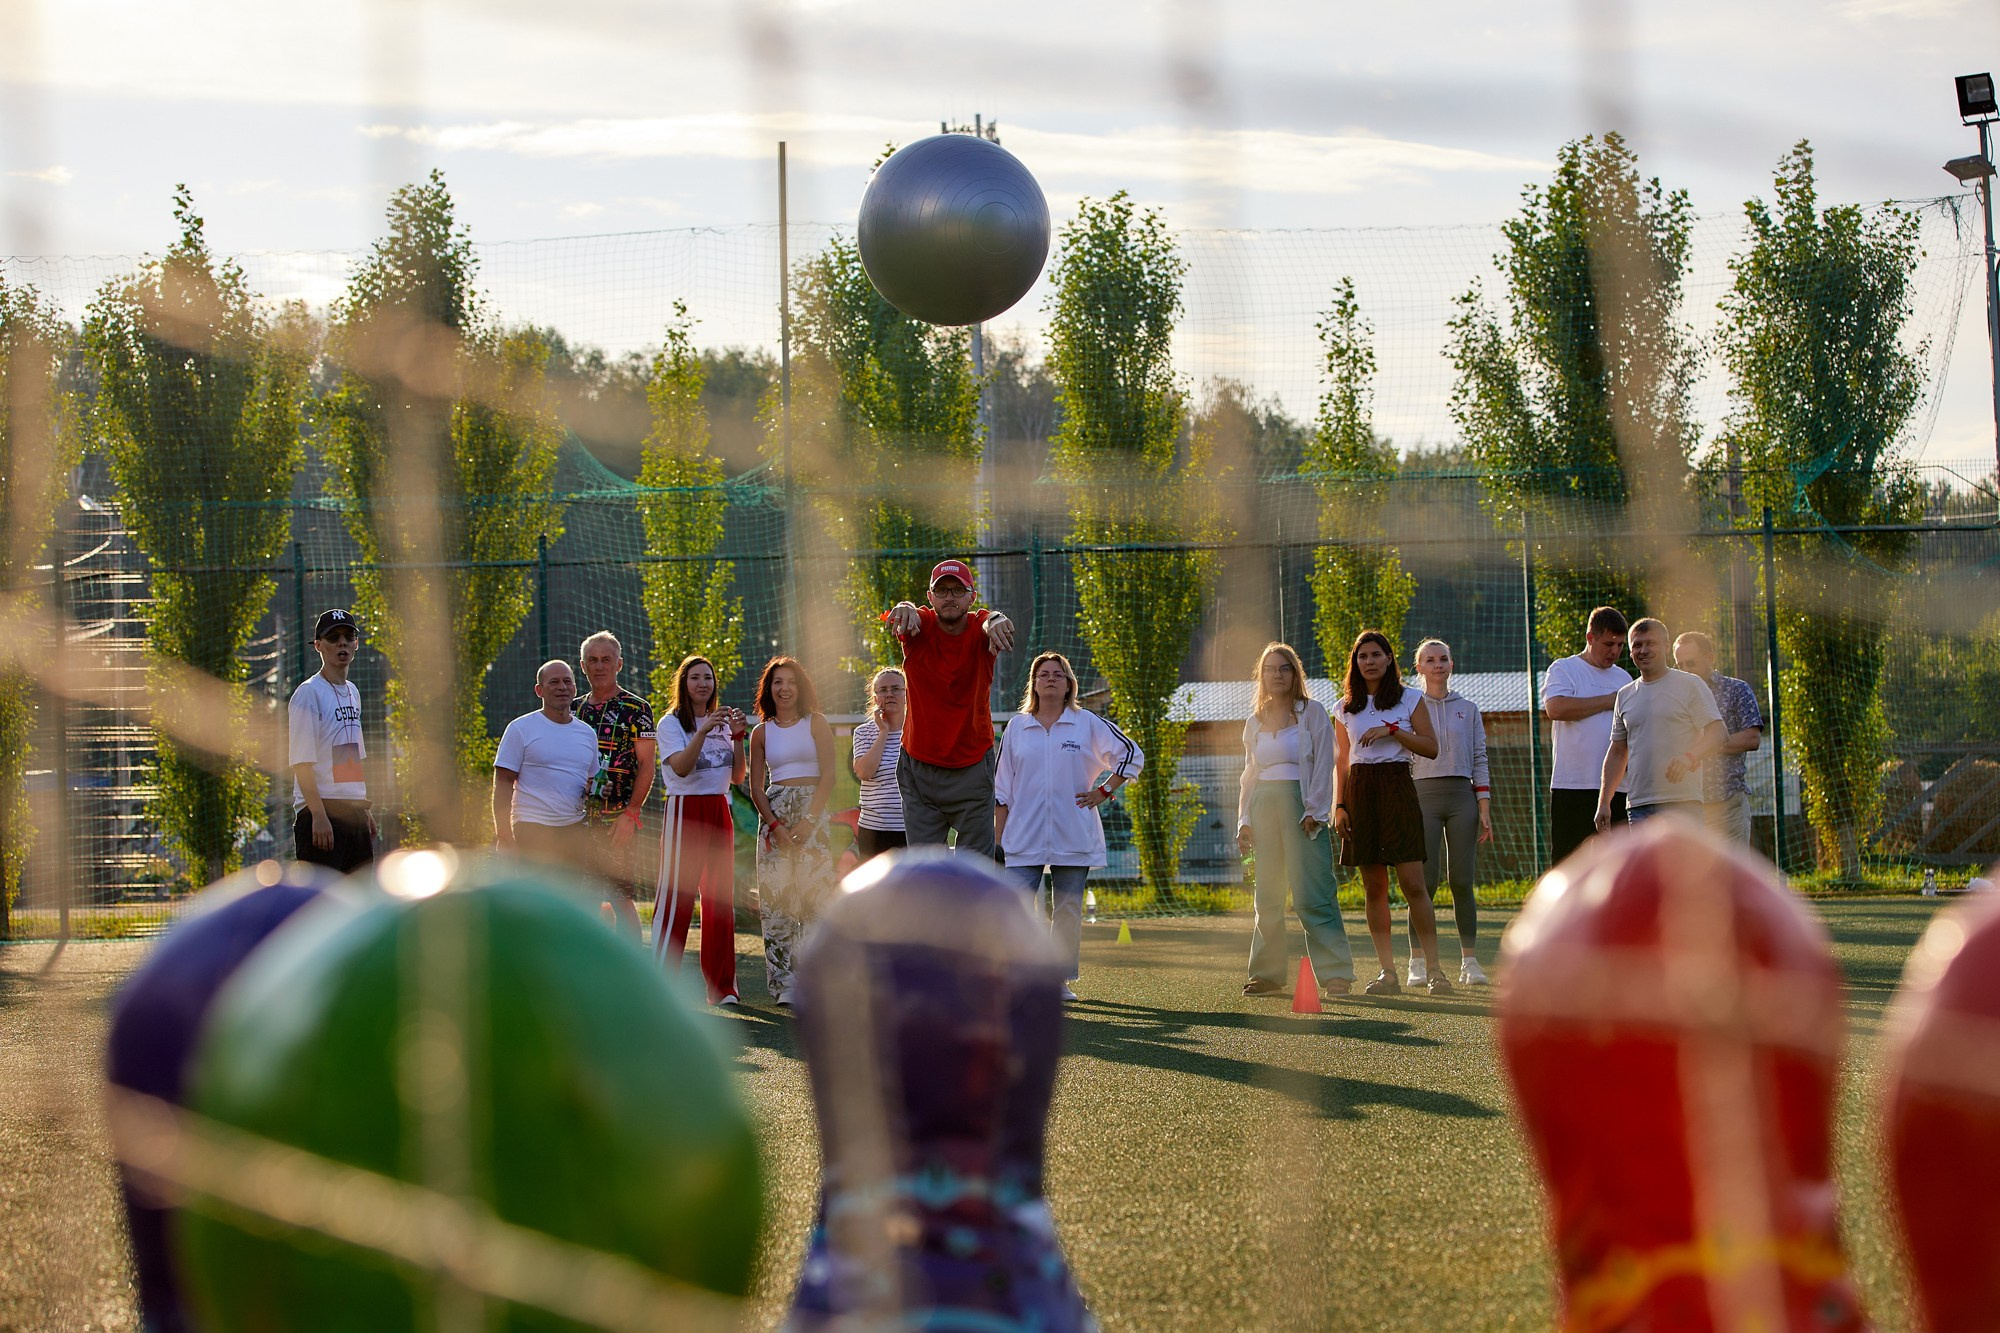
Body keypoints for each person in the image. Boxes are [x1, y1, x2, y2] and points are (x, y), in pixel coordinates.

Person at [993, 651, 1143, 1001]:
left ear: (1068, 684)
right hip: (1022, 835)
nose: (1050, 679)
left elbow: (1131, 754)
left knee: (1068, 909)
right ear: (1033, 684)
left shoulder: (1086, 722)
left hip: (1073, 832)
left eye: (1057, 674)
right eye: (1043, 674)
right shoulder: (1017, 727)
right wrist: (998, 841)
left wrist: (1104, 791)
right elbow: (1001, 787)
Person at [1235, 642, 1356, 1000]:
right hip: (1263, 806)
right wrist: (1244, 820)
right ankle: (1267, 975)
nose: (1277, 675)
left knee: (1312, 893)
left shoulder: (1312, 713)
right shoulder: (1254, 721)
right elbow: (1249, 774)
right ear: (1261, 676)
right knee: (1267, 896)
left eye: (1284, 668)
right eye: (1270, 669)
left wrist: (1315, 810)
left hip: (1302, 809)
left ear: (1295, 674)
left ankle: (1335, 973)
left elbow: (1326, 762)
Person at [1334, 630, 1451, 997]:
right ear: (1355, 663)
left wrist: (1392, 731)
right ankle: (1388, 973)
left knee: (1414, 884)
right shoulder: (1343, 707)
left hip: (1398, 787)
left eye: (1375, 654)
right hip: (1359, 792)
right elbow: (1342, 762)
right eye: (1362, 656)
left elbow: (1431, 747)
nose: (1369, 661)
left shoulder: (1410, 698)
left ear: (1389, 659)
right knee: (1374, 888)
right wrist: (1339, 806)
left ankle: (1435, 971)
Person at [884, 559, 1015, 858]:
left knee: (976, 868)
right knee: (925, 868)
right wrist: (904, 606)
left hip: (972, 767)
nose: (950, 597)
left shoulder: (981, 628)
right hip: (920, 767)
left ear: (972, 597)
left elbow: (990, 621)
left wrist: (997, 619)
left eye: (958, 590)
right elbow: (908, 613)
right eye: (941, 591)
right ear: (930, 597)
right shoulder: (920, 626)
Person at [655, 653, 748, 1005]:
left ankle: (722, 987)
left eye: (708, 677)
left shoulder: (722, 721)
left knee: (720, 900)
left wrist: (737, 737)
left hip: (719, 808)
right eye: (695, 677)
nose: (702, 683)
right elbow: (680, 768)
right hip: (685, 809)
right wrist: (704, 729)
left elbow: (737, 777)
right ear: (684, 683)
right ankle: (661, 986)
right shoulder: (670, 723)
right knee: (677, 900)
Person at [747, 656, 838, 1007]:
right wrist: (775, 825)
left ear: (801, 687)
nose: (784, 688)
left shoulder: (816, 722)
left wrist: (810, 819)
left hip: (813, 815)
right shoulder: (761, 732)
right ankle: (784, 984)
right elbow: (756, 788)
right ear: (768, 689)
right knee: (777, 903)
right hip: (774, 817)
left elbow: (829, 776)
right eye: (777, 682)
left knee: (815, 900)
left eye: (791, 682)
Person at [1407, 638, 1493, 988]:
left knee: (1462, 882)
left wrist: (1483, 807)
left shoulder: (1468, 709)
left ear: (1452, 664)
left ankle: (1469, 962)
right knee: (1423, 883)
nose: (1438, 664)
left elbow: (1480, 758)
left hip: (1462, 799)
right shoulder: (1409, 707)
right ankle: (1417, 962)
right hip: (1422, 798)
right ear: (1419, 667)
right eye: (1430, 660)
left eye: (1443, 658)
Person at [1596, 618, 1726, 831]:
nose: (1644, 650)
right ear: (1630, 651)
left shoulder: (1690, 684)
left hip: (1682, 803)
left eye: (1651, 643)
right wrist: (1604, 802)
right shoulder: (1625, 695)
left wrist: (1689, 758)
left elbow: (1718, 733)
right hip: (1638, 806)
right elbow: (1617, 752)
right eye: (1637, 645)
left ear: (1666, 646)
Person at [574, 630, 657, 939]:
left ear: (619, 664)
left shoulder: (637, 708)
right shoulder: (572, 709)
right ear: (583, 665)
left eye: (606, 659)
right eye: (593, 660)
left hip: (616, 821)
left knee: (620, 898)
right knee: (582, 902)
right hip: (574, 822)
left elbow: (647, 765)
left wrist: (630, 815)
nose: (600, 666)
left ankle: (630, 964)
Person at [287, 608, 376, 872]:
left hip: (352, 813)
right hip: (322, 811)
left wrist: (361, 806)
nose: (342, 643)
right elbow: (301, 761)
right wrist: (318, 815)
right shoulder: (309, 693)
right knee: (324, 896)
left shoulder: (352, 692)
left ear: (356, 643)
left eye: (348, 636)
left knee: (358, 895)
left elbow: (347, 756)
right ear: (318, 646)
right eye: (333, 637)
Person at [1542, 606, 1633, 864]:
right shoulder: (1564, 669)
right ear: (1590, 638)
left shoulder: (1624, 677)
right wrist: (1608, 700)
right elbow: (1556, 708)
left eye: (1620, 645)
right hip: (1573, 784)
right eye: (1608, 644)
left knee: (1618, 865)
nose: (1614, 651)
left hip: (1616, 786)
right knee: (1567, 863)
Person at [493, 661, 599, 872]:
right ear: (539, 690)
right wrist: (504, 835)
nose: (562, 687)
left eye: (567, 681)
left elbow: (590, 780)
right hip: (532, 828)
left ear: (575, 688)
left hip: (574, 831)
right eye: (554, 682)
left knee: (569, 892)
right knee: (534, 893)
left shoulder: (587, 733)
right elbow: (503, 783)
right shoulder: (520, 728)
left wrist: (598, 789)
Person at [1670, 631, 1765, 845]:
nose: (1685, 670)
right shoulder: (1672, 695)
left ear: (1710, 658)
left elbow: (1752, 738)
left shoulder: (1736, 689)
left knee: (1731, 868)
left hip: (1727, 804)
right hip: (1685, 806)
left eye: (1691, 663)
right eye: (1679, 665)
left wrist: (1703, 747)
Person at [850, 667, 908, 861]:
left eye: (896, 689)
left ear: (906, 694)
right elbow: (864, 772)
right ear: (875, 698)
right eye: (883, 690)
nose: (889, 694)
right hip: (874, 831)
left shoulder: (918, 731)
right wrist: (883, 732)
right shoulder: (863, 733)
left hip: (912, 828)